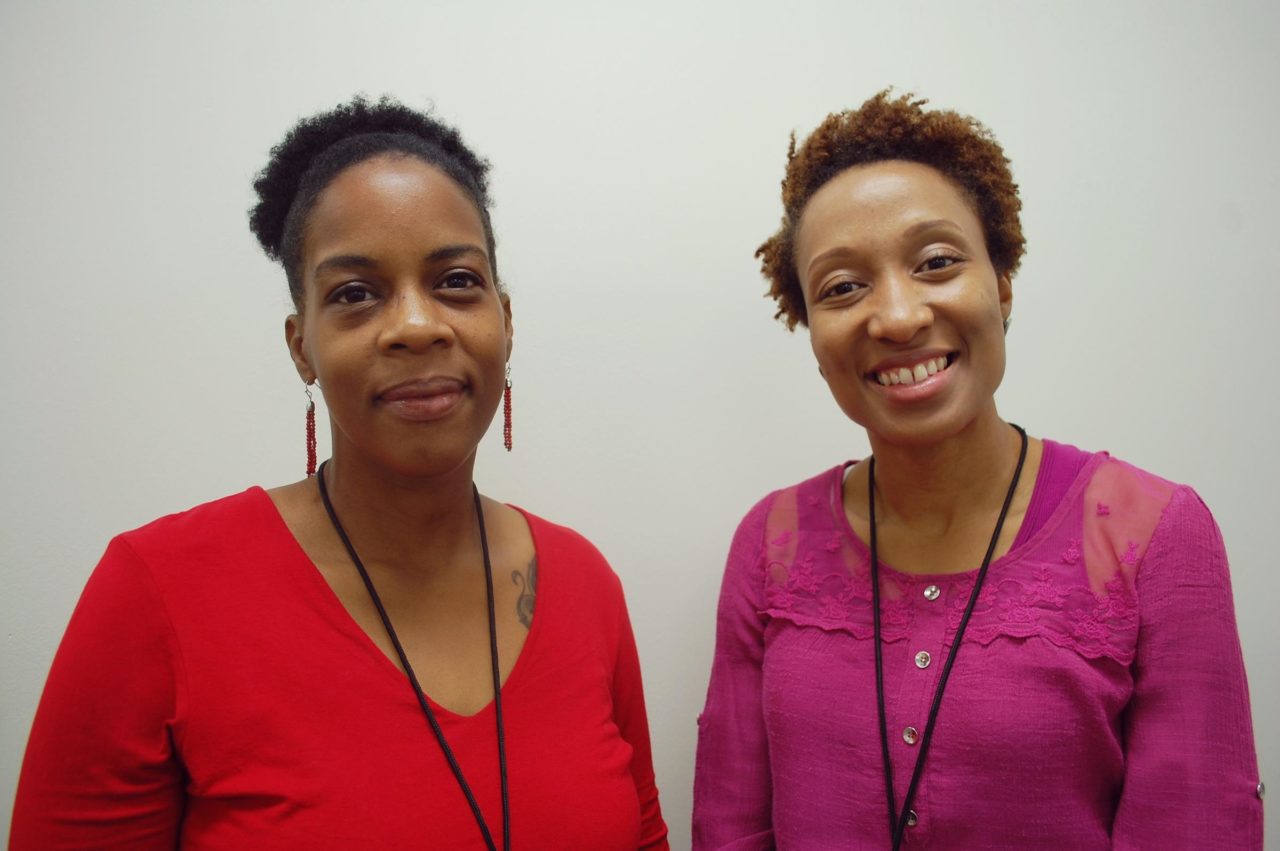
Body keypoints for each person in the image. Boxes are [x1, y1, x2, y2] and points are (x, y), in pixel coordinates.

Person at [11, 96, 668, 850]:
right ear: (302, 347)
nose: (418, 325)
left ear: (506, 320)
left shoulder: (586, 585)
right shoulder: (155, 592)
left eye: (456, 280)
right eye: (355, 294)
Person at [692, 92, 1262, 850]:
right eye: (841, 287)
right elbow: (731, 827)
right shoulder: (772, 543)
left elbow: (1199, 826)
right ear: (811, 331)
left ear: (1002, 283)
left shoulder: (1155, 534)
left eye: (935, 262)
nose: (896, 316)